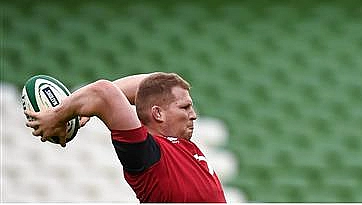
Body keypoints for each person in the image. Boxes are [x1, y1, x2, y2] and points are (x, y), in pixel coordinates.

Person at [24, 72, 227, 203]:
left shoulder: (181, 147)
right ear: (158, 114)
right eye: (185, 107)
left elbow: (154, 84)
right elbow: (103, 92)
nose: (194, 114)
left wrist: (81, 111)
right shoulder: (147, 153)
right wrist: (59, 114)